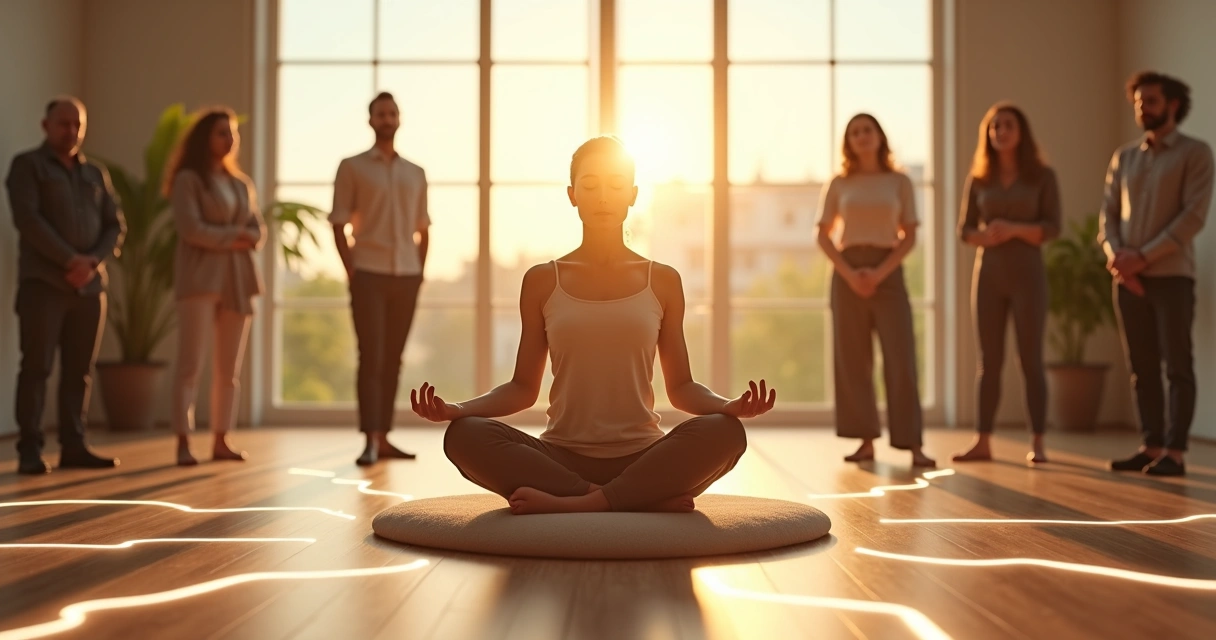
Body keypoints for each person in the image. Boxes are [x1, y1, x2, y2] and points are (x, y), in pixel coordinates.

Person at [411, 135, 774, 515]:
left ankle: (582, 502)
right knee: (465, 436)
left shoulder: (663, 280)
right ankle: (631, 498)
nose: (603, 197)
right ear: (572, 194)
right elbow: (522, 388)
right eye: (590, 186)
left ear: (633, 194)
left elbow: (681, 388)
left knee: (726, 432)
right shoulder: (541, 280)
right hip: (561, 457)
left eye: (616, 185)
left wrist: (729, 405)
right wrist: (457, 409)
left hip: (643, 455)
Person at [5, 96, 126, 475]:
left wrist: (91, 262)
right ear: (46, 126)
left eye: (78, 124)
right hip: (43, 286)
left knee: (79, 370)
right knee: (37, 368)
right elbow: (28, 220)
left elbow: (114, 225)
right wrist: (69, 260)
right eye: (64, 124)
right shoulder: (28, 166)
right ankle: (29, 449)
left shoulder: (95, 174)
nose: (71, 131)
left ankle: (74, 445)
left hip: (89, 288)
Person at [1100, 71, 1214, 477]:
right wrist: (1118, 257)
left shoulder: (1196, 154)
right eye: (1138, 101)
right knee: (1141, 367)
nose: (1142, 107)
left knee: (1177, 365)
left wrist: (1141, 259)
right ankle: (1150, 446)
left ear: (1173, 105)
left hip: (1171, 277)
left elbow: (1192, 218)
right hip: (1127, 279)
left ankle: (1176, 453)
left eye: (1150, 100)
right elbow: (1108, 216)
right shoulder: (1124, 157)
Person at [817, 113, 934, 468]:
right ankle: (865, 441)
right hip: (846, 273)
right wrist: (852, 275)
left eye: (867, 130)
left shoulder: (899, 181)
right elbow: (822, 234)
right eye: (854, 132)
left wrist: (880, 273)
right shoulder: (839, 183)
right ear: (848, 142)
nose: (861, 136)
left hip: (889, 272)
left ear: (879, 136)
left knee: (901, 359)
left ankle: (912, 444)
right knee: (853, 360)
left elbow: (909, 234)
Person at [953, 103, 1061, 464]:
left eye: (1008, 125)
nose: (1000, 131)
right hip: (989, 276)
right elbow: (964, 230)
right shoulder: (979, 179)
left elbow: (1053, 227)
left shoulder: (1042, 176)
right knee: (989, 361)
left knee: (1031, 359)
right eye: (994, 126)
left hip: (1028, 276)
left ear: (1021, 132)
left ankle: (1039, 442)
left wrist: (1015, 230)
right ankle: (982, 441)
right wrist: (985, 236)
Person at [331, 92, 431, 466]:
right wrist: (351, 268)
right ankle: (370, 439)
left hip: (406, 274)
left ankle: (385, 437)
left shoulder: (415, 173)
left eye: (392, 113)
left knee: (394, 358)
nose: (386, 119)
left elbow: (424, 228)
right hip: (368, 273)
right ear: (370, 120)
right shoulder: (352, 167)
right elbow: (339, 222)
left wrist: (419, 272)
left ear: (399, 119)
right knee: (370, 356)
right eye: (380, 114)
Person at [166, 107, 266, 466]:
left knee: (229, 370)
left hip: (238, 281)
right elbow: (192, 230)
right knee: (190, 364)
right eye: (222, 132)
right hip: (200, 280)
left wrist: (229, 237)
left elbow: (259, 232)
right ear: (205, 138)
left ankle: (221, 439)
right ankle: (183, 441)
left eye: (233, 132)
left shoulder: (241, 184)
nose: (230, 139)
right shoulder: (187, 180)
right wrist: (236, 236)